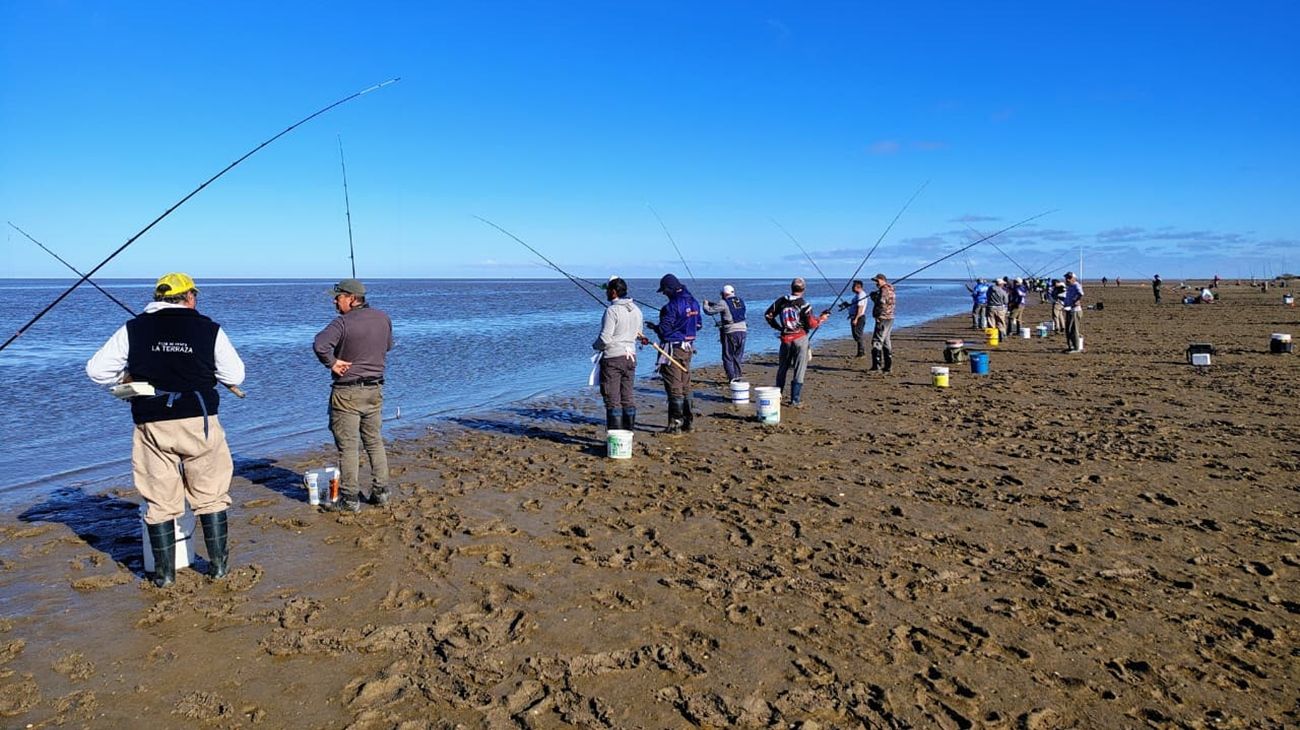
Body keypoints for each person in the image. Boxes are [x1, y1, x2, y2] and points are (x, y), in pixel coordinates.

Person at [86, 273, 246, 587]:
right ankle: (218, 569)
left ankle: (164, 576)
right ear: (190, 297)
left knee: (159, 501)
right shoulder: (209, 328)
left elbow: (96, 371)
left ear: (158, 298)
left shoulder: (133, 328)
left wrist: (126, 379)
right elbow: (235, 375)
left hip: (152, 422)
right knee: (212, 495)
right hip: (199, 421)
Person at [313, 279, 394, 513]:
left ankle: (349, 499)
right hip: (374, 390)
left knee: (348, 447)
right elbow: (388, 346)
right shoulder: (383, 318)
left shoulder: (342, 323)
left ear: (351, 298)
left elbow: (319, 345)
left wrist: (332, 362)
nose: (334, 301)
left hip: (347, 392)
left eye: (337, 297)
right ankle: (381, 493)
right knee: (374, 441)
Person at [644, 274, 701, 434]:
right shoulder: (694, 302)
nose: (663, 294)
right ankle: (688, 423)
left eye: (664, 291)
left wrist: (656, 328)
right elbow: (699, 325)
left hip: (672, 349)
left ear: (670, 289)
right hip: (688, 348)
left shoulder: (670, 306)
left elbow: (664, 331)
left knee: (674, 386)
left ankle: (675, 425)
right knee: (685, 385)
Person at [764, 277, 829, 407]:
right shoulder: (804, 304)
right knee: (799, 369)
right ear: (803, 289)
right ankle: (795, 400)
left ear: (791, 287)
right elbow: (811, 324)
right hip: (800, 338)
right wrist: (821, 319)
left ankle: (778, 396)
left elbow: (768, 315)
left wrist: (779, 328)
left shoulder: (781, 301)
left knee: (782, 368)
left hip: (785, 339)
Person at [593, 277, 644, 432]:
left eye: (608, 290)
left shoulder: (611, 311)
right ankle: (628, 435)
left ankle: (616, 437)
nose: (606, 293)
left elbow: (605, 339)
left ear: (614, 292)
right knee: (628, 397)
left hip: (613, 359)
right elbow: (638, 334)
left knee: (612, 399)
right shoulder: (637, 310)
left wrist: (595, 346)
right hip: (631, 357)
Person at [701, 284, 747, 381]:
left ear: (724, 294)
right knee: (738, 356)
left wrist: (705, 304)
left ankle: (732, 379)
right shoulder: (740, 301)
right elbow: (732, 313)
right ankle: (738, 376)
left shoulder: (723, 303)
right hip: (743, 331)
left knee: (728, 357)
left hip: (731, 332)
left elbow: (709, 311)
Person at [868, 273, 896, 373]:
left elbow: (881, 302)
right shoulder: (891, 289)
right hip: (890, 317)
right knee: (886, 341)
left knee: (877, 341)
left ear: (883, 280)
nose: (876, 283)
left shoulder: (884, 289)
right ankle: (888, 367)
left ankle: (877, 367)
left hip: (883, 318)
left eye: (877, 281)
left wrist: (873, 297)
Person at [839, 280, 870, 357]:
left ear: (857, 287)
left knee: (858, 335)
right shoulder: (858, 295)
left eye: (853, 286)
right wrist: (847, 305)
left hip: (859, 318)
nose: (852, 288)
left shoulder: (861, 295)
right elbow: (855, 306)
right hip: (855, 317)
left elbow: (860, 308)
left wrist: (856, 319)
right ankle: (860, 352)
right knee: (856, 335)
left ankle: (861, 353)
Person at [1062, 271, 1085, 353]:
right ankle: (1070, 346)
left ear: (1074, 278)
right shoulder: (1069, 287)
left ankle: (1076, 348)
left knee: (1074, 330)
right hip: (1069, 310)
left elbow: (1081, 293)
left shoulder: (1076, 285)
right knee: (1068, 330)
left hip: (1075, 310)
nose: (1067, 280)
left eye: (1069, 278)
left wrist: (1076, 300)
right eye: (1066, 278)